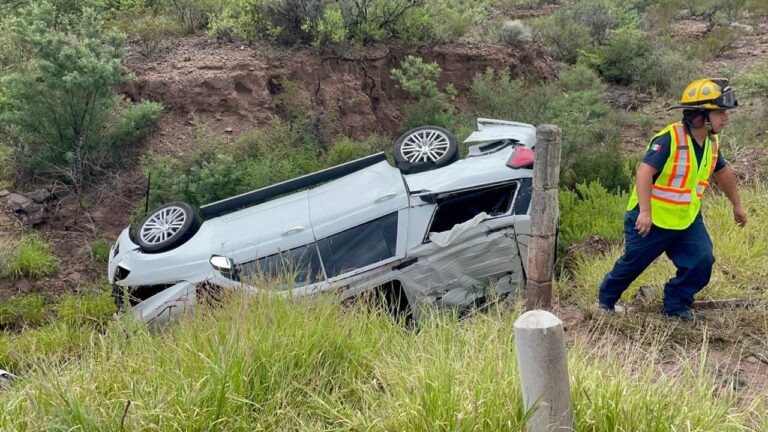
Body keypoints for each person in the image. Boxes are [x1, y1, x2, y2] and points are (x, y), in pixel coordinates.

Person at [597, 78, 747, 321]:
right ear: (699, 116)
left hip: (686, 219)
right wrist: (645, 212)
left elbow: (723, 172)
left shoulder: (711, 142)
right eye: (720, 112)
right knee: (633, 263)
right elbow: (644, 172)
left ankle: (676, 306)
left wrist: (737, 205)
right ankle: (605, 302)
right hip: (652, 219)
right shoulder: (669, 138)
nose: (726, 118)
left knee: (702, 259)